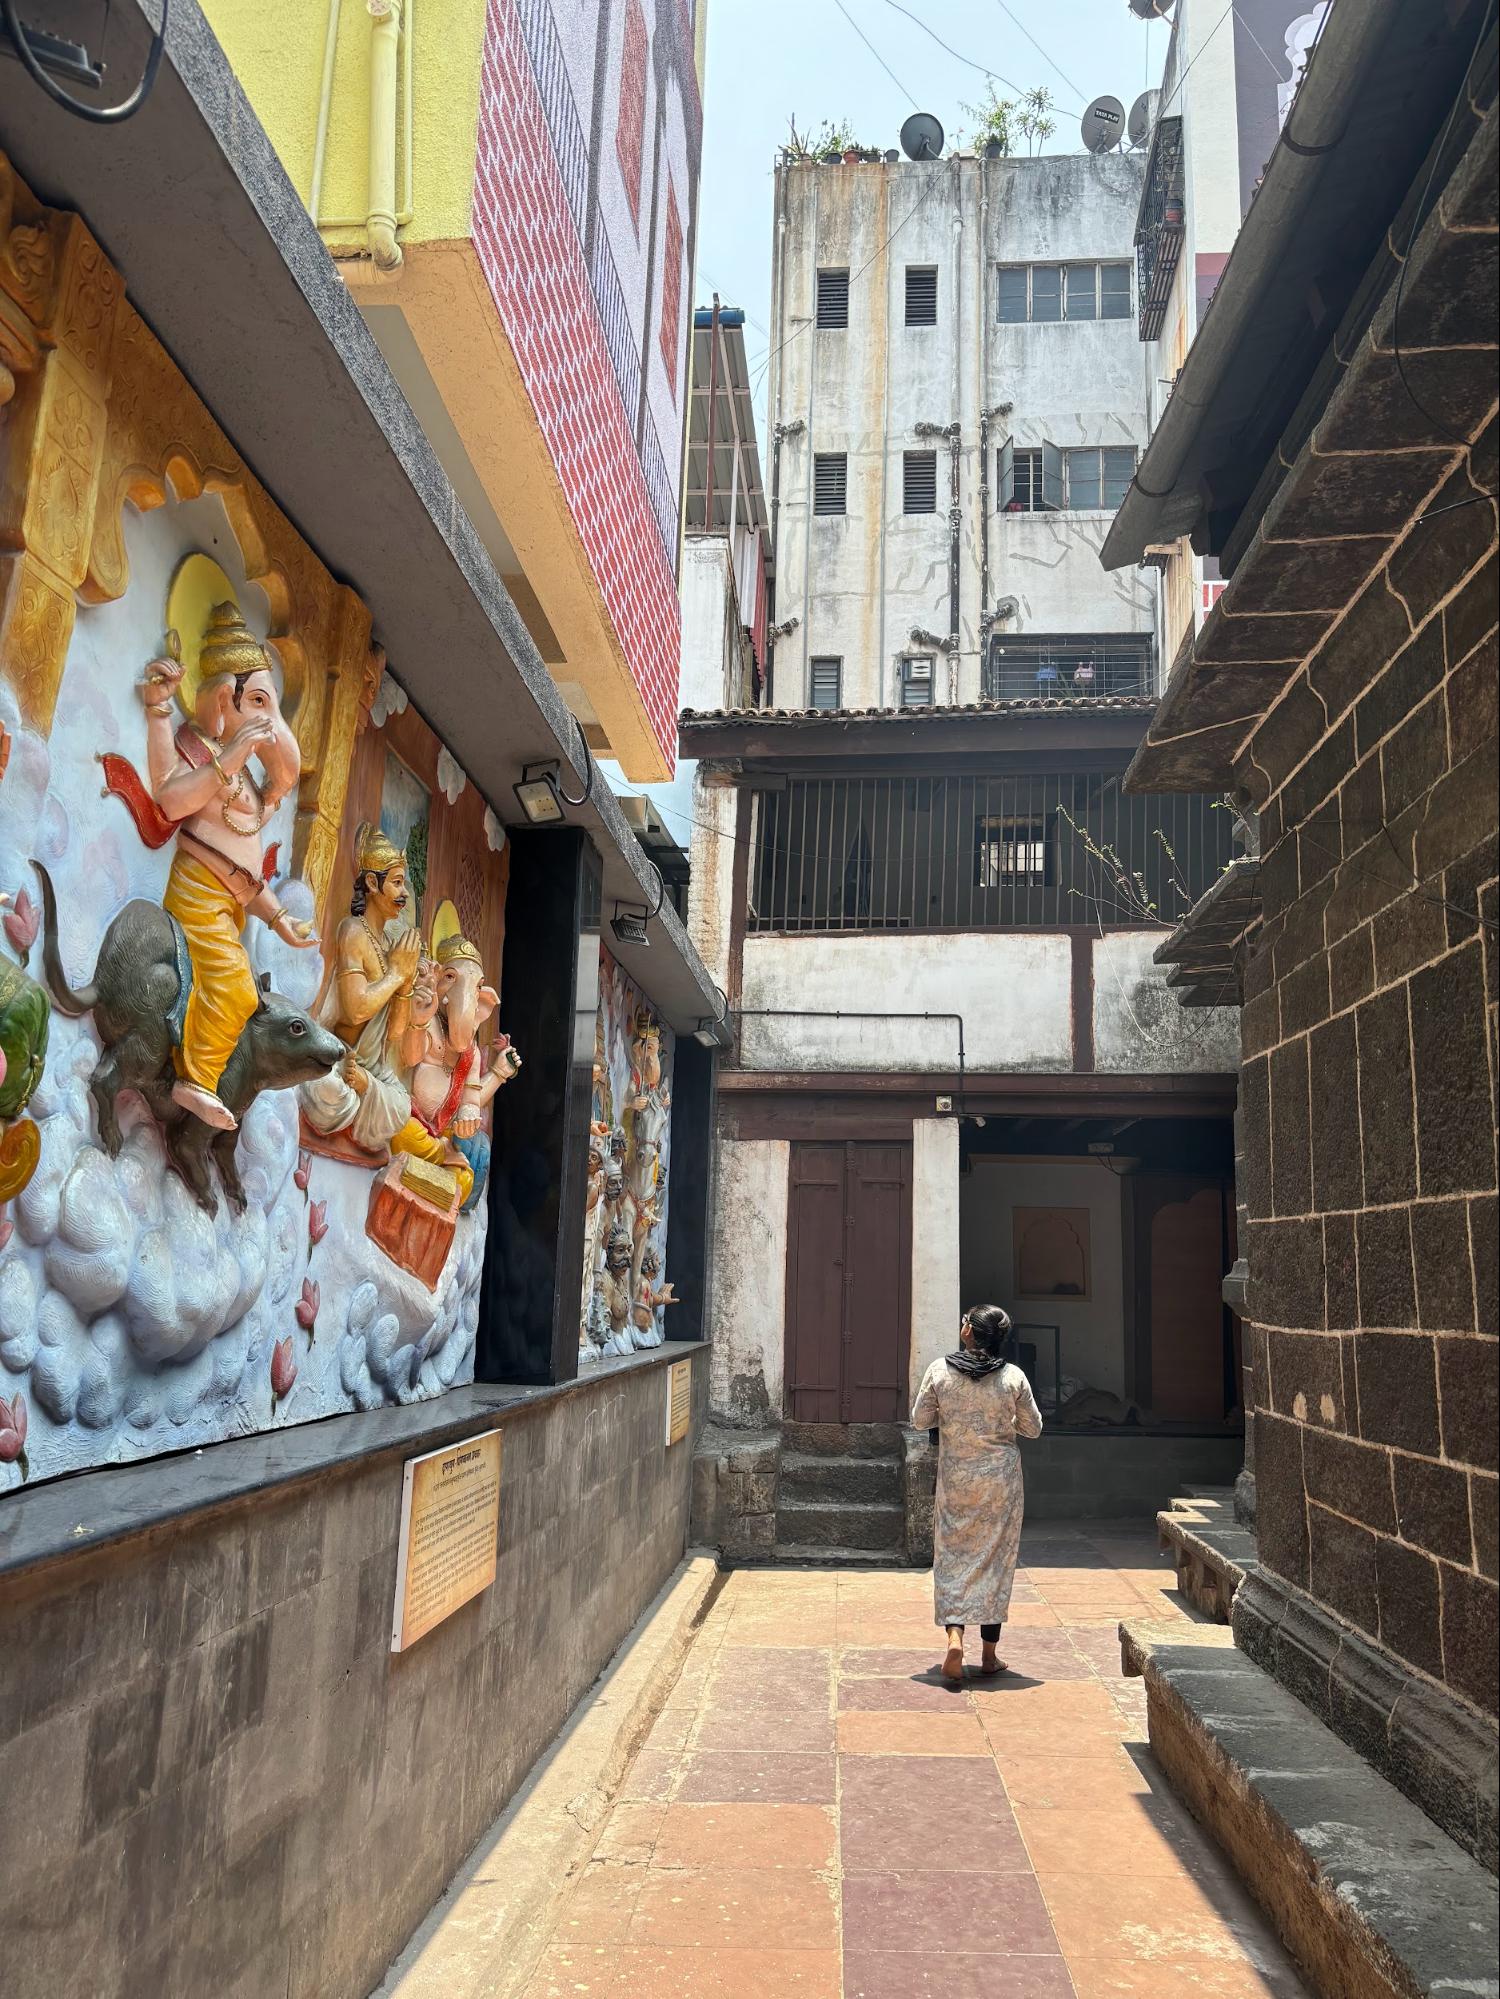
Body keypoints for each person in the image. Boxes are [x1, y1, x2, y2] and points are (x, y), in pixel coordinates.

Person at [911, 1303, 1043, 1687]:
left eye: (965, 1320)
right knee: (997, 1561)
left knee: (952, 1556)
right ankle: (989, 1655)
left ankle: (955, 1638)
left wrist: (953, 1417)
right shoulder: (1012, 1377)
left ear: (969, 1332)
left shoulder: (940, 1370)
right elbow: (1033, 1428)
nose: (962, 1324)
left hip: (956, 1479)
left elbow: (920, 1419)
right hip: (1001, 1482)